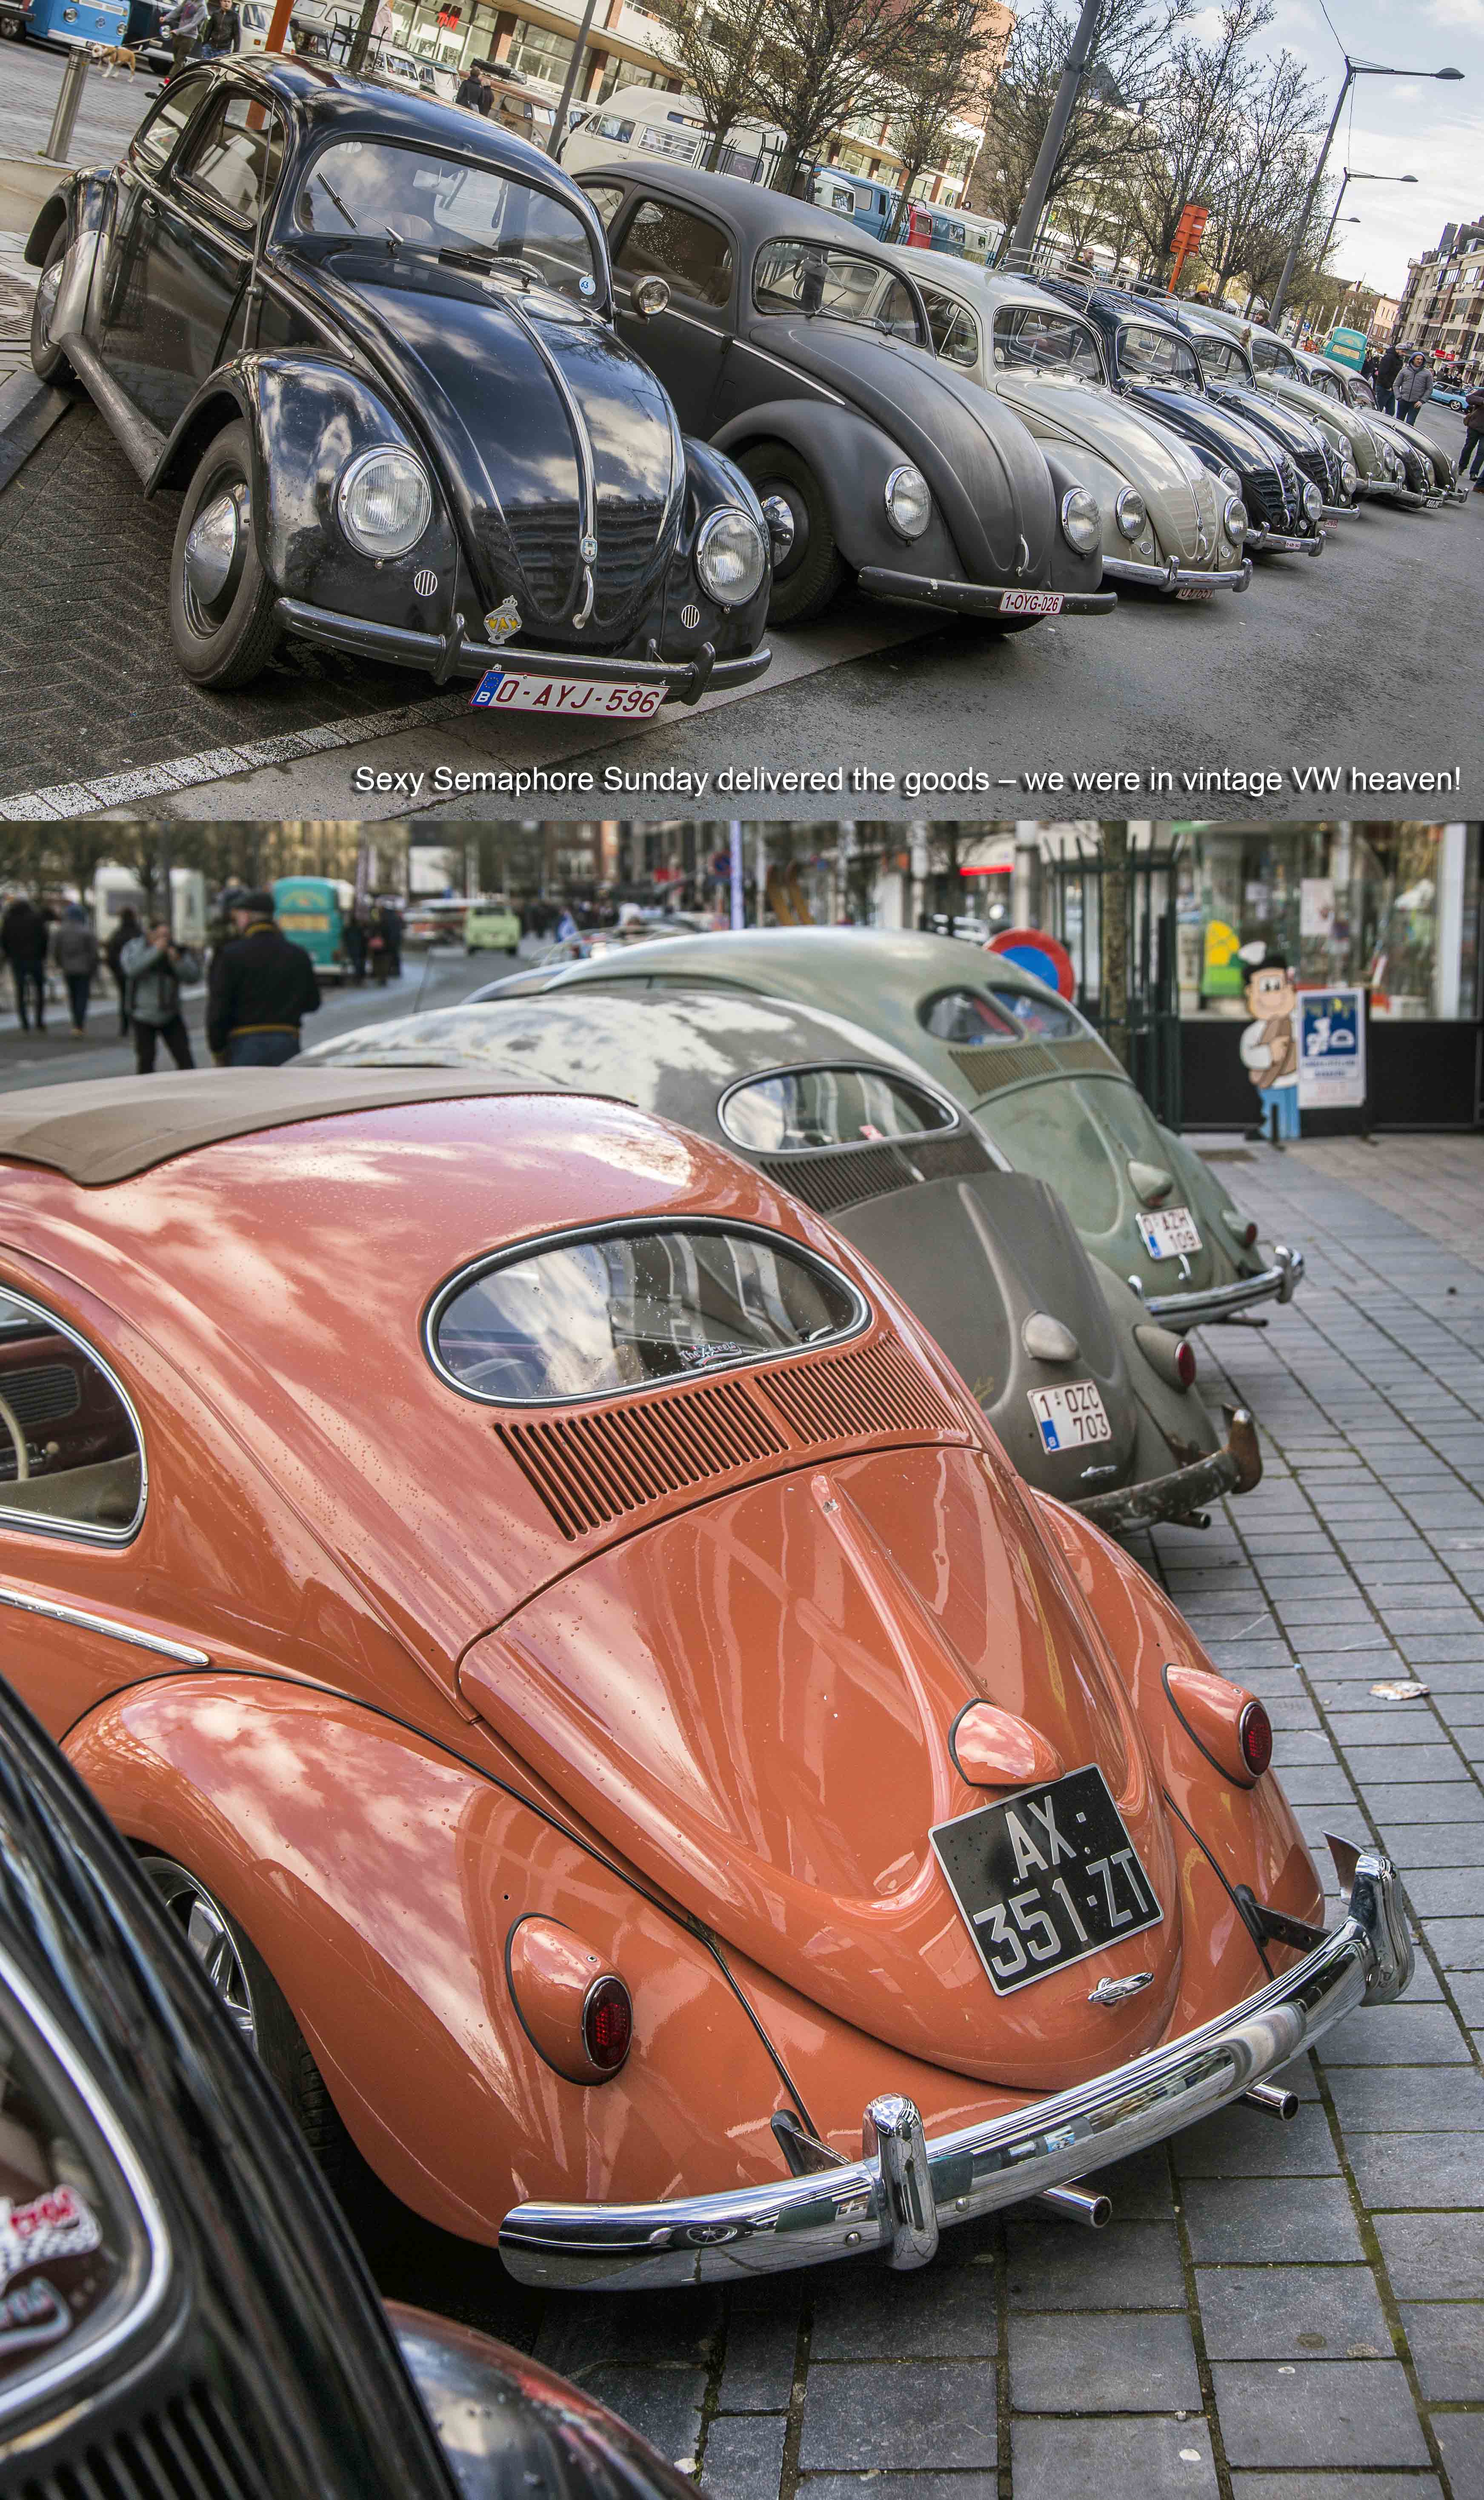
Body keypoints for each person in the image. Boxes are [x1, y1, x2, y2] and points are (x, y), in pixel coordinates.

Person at [206, 889, 320, 1066]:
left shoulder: (230, 955)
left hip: (244, 1043)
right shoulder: (297, 954)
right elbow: (313, 1002)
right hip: (287, 1041)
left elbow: (218, 1010)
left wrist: (218, 1049)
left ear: (246, 917)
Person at [1239, 949, 1301, 1147]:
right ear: (1251, 992)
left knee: (1293, 1104)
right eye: (1268, 987)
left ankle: (1293, 1129)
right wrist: (1268, 1053)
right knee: (1273, 1104)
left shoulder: (1295, 1020)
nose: (1275, 995)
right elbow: (1249, 1052)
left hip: (1295, 1077)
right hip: (1272, 1080)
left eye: (1279, 986)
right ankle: (1273, 1129)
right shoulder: (1256, 1031)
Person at [121, 920, 200, 1074]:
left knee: (185, 1058)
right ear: (150, 934)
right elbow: (132, 969)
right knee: (146, 1060)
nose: (165, 940)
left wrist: (177, 961)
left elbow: (193, 976)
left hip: (170, 1012)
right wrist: (155, 951)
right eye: (160, 936)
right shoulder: (135, 948)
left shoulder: (175, 950)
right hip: (143, 1013)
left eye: (167, 936)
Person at [0, 895, 50, 1034]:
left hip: (17, 960)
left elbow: (4, 940)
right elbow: (45, 938)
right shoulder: (37, 919)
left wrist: (10, 955)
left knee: (20, 991)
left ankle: (25, 1023)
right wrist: (43, 955)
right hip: (36, 959)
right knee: (39, 990)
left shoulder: (9, 920)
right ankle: (39, 1021)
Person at [50, 906, 100, 1038]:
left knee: (72, 996)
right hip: (84, 969)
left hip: (68, 968)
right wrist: (93, 967)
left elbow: (55, 950)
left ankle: (75, 1023)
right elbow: (94, 952)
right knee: (82, 996)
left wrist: (60, 963)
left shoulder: (60, 932)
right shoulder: (87, 931)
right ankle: (80, 1024)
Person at [104, 907, 139, 1037]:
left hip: (121, 973)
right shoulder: (139, 934)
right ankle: (137, 1025)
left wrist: (116, 970)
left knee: (124, 998)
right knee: (136, 998)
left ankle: (124, 1027)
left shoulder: (117, 935)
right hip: (137, 973)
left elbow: (111, 955)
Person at [1394, 352, 1433, 427]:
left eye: (1422, 360)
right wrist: (1399, 397)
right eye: (1418, 359)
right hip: (1403, 401)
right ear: (1413, 360)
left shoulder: (1427, 374)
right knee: (1399, 422)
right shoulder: (1404, 371)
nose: (1420, 361)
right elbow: (1396, 385)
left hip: (1416, 404)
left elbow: (1430, 389)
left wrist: (1422, 401)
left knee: (1410, 423)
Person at [1374, 339, 1404, 418]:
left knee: (1391, 412)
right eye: (1403, 352)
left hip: (1392, 388)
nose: (1404, 354)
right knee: (1378, 408)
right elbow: (1382, 373)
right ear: (1398, 350)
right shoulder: (1388, 358)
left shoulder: (1400, 360)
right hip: (1384, 387)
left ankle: (1384, 425)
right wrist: (1388, 386)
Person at [1463, 381, 1484, 488]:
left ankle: (1474, 473)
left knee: (1482, 452)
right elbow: (1469, 399)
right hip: (1475, 426)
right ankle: (1462, 466)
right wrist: (1482, 401)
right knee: (1469, 447)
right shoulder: (1482, 392)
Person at [344, 910, 369, 985]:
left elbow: (345, 938)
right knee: (360, 963)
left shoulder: (348, 929)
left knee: (356, 963)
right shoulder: (360, 929)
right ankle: (360, 977)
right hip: (361, 950)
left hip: (353, 949)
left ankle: (358, 977)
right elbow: (364, 939)